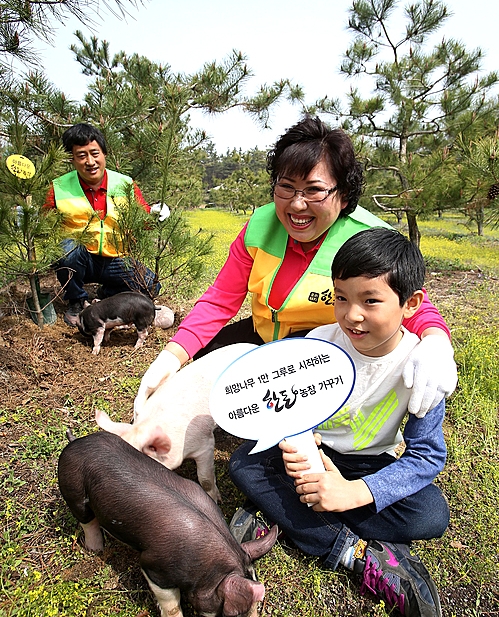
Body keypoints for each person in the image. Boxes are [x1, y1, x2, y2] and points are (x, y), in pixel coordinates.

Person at [134, 116, 456, 419]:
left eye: (314, 190)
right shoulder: (260, 226)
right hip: (263, 335)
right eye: (286, 187)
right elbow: (220, 299)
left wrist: (436, 342)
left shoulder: (366, 238)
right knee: (199, 367)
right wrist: (172, 355)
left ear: (343, 195)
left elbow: (411, 303)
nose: (297, 204)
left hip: (324, 353)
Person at [229, 228, 450, 617]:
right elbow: (285, 405)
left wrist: (355, 492)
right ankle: (356, 554)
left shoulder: (423, 367)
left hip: (368, 463)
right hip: (313, 456)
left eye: (371, 301)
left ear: (411, 304)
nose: (352, 314)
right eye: (341, 298)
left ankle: (283, 514)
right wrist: (295, 437)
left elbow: (427, 455)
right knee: (244, 462)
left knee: (430, 515)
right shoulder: (318, 343)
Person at [45, 123, 159, 326]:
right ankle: (77, 300)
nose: (90, 162)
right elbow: (44, 228)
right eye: (81, 155)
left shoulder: (125, 184)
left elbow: (143, 221)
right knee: (66, 251)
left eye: (94, 153)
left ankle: (107, 296)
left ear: (104, 153)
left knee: (151, 286)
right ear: (72, 159)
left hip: (116, 259)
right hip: (80, 259)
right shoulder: (58, 187)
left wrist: (156, 216)